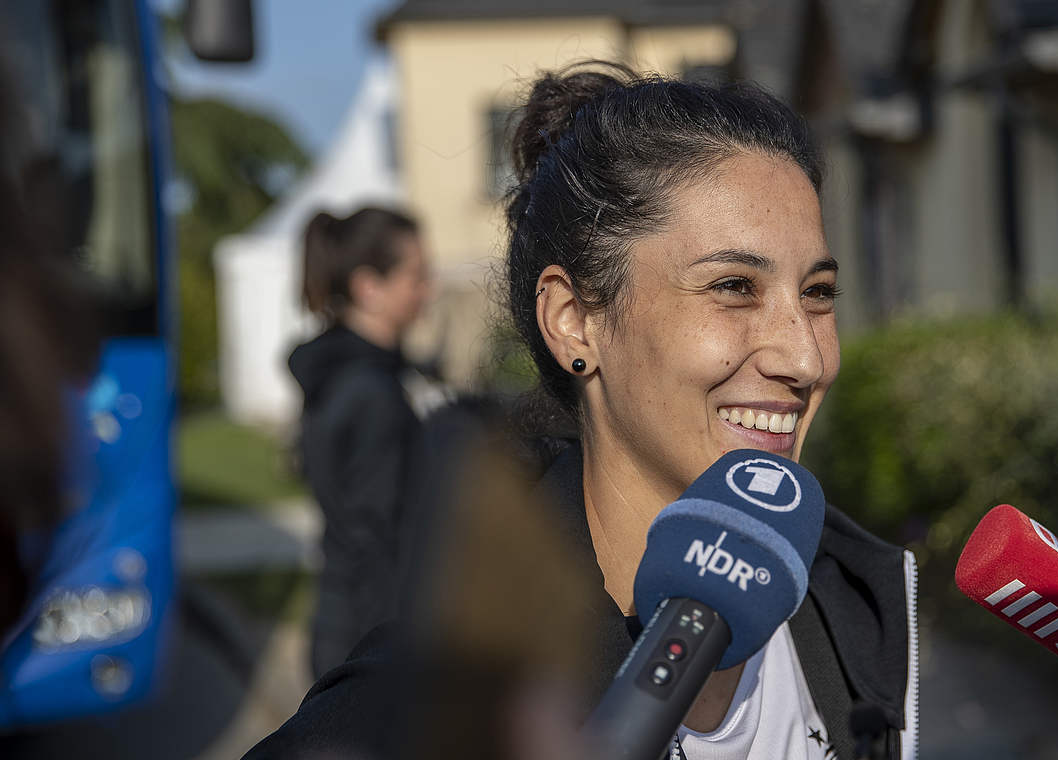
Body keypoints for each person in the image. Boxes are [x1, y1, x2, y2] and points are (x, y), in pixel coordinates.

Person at [248, 62, 920, 760]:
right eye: (733, 286)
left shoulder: (852, 609)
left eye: (818, 294)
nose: (806, 360)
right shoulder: (442, 705)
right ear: (574, 321)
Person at [288, 207, 434, 678]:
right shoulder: (370, 393)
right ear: (368, 286)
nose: (426, 291)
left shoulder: (352, 375)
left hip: (346, 620)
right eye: (416, 277)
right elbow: (374, 540)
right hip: (366, 637)